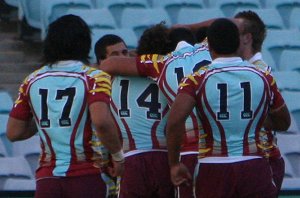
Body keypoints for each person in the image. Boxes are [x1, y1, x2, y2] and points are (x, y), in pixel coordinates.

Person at [166, 18, 291, 197]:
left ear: (209, 48)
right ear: (238, 43)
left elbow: (175, 122)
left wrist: (174, 164)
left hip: (213, 167)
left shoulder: (196, 79)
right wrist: (251, 117)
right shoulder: (263, 76)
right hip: (254, 166)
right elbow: (284, 122)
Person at [6, 14, 124, 198]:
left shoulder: (32, 80)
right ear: (85, 42)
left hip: (47, 179)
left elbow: (14, 132)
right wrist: (118, 156)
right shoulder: (94, 77)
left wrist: (51, 121)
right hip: (86, 175)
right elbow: (101, 121)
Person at [99, 24, 211, 197]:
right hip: (164, 157)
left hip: (131, 158)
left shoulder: (111, 80)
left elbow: (105, 123)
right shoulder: (165, 73)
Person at [95, 28, 175, 198]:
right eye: (116, 55)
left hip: (130, 160)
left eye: (125, 52)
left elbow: (107, 127)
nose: (122, 58)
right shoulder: (167, 76)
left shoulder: (107, 85)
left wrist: (108, 161)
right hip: (163, 159)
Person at [235, 10, 285, 195]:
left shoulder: (259, 72)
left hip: (262, 160)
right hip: (251, 160)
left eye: (234, 32)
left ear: (247, 38)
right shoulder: (251, 70)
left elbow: (272, 118)